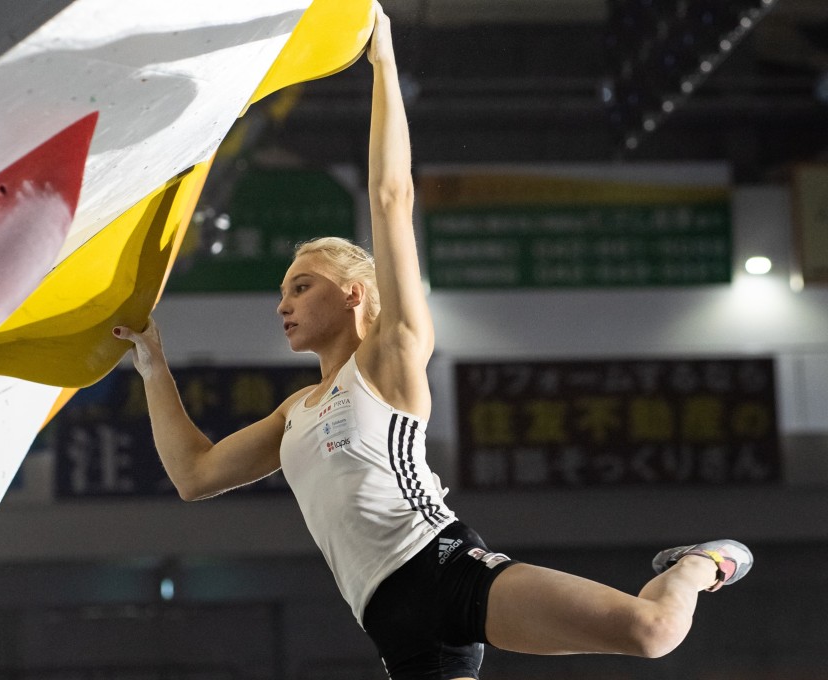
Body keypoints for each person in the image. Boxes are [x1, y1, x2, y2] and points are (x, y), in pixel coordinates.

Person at [113, 5, 753, 679]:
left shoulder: (390, 356)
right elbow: (194, 475)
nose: (284, 303)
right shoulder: (294, 412)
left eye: (302, 285)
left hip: (444, 568)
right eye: (283, 291)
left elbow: (392, 196)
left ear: (355, 293)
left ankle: (697, 563)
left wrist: (383, 62)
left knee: (650, 631)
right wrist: (153, 365)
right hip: (390, 624)